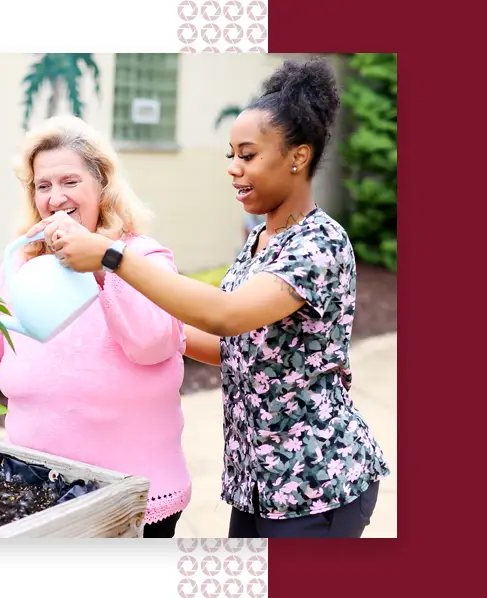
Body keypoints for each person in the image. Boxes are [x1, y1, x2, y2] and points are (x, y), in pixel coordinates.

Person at [27, 57, 391, 538]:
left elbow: (227, 316)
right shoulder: (261, 240)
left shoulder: (318, 244)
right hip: (257, 484)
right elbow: (235, 347)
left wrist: (113, 259)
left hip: (316, 483)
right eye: (230, 154)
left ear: (297, 157)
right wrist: (146, 326)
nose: (233, 169)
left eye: (248, 155)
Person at [0, 115, 192, 538]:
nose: (56, 198)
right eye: (43, 185)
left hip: (129, 499)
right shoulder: (24, 261)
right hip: (37, 488)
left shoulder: (140, 257)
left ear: (102, 185)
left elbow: (153, 343)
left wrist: (101, 264)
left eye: (70, 182)